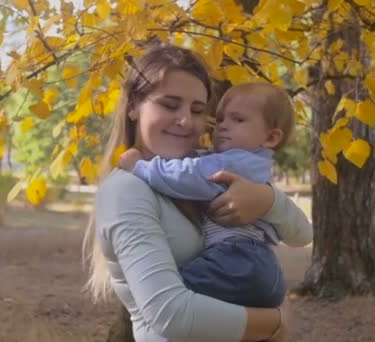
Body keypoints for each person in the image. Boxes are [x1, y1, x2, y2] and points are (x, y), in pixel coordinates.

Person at [83, 44, 312, 341]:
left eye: (198, 110)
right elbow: (170, 314)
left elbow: (303, 235)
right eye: (169, 104)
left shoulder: (201, 173)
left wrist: (267, 200)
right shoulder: (127, 187)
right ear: (133, 106)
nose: (186, 121)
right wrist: (276, 323)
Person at [117, 82, 305, 308]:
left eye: (238, 120)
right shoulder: (241, 160)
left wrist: (141, 167)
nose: (223, 126)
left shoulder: (237, 163)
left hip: (239, 258)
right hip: (249, 263)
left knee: (168, 293)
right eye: (220, 119)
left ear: (271, 138)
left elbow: (189, 174)